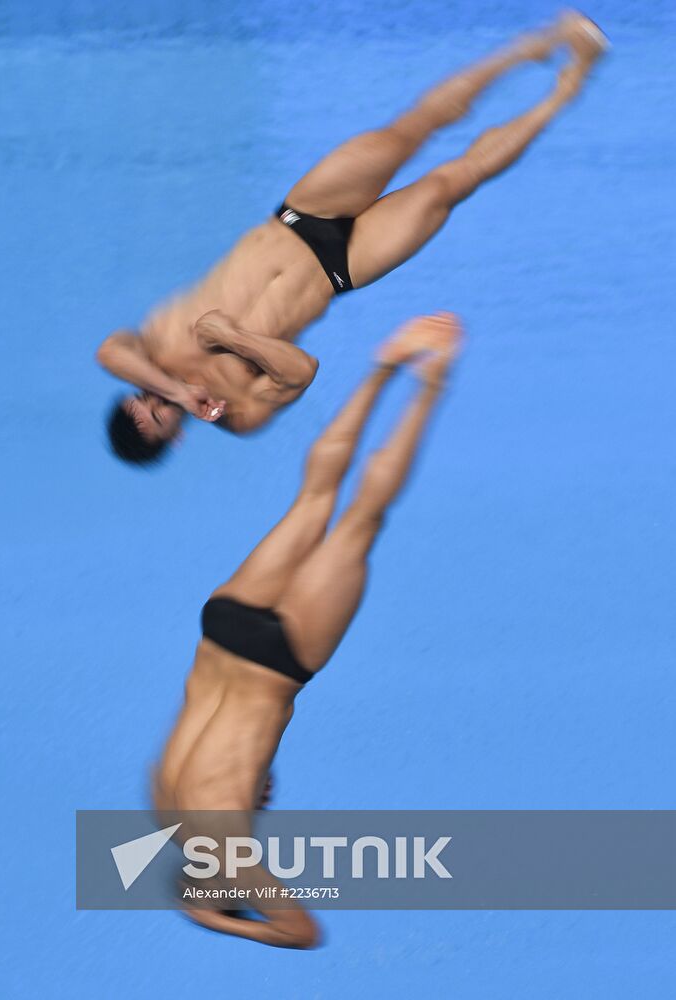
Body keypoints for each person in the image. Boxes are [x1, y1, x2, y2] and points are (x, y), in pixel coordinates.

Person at [96, 12, 605, 464]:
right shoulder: (239, 416)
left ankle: (534, 45)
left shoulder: (146, 350)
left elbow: (107, 353)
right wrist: (231, 338)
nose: (157, 401)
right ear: (176, 439)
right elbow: (302, 372)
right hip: (342, 268)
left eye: (144, 399)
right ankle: (569, 86)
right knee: (453, 183)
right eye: (161, 416)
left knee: (412, 129)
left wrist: (174, 391)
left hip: (300, 215)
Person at [153, 313, 462, 947]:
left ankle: (432, 380)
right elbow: (215, 754)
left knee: (362, 519)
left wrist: (212, 917)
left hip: (277, 661)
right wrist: (248, 778)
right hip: (222, 629)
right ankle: (384, 367)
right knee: (315, 496)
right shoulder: (168, 815)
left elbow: (302, 932)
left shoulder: (229, 854)